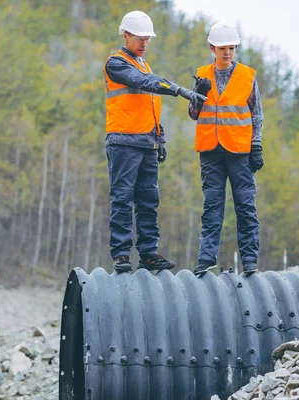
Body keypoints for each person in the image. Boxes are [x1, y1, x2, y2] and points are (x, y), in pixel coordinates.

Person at [104, 11, 207, 273]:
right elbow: (144, 83)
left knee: (149, 200)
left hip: (146, 143)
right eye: (139, 38)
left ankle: (148, 253)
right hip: (124, 141)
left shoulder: (143, 64)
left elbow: (149, 106)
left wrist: (159, 138)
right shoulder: (116, 64)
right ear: (125, 35)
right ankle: (121, 254)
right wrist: (178, 90)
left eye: (147, 39)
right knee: (123, 198)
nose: (144, 43)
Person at [189, 21, 264, 276]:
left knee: (245, 207)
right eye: (222, 48)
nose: (227, 52)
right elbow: (193, 114)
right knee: (212, 208)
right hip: (211, 152)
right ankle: (205, 259)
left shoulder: (247, 76)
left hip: (240, 153)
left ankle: (250, 261)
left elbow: (256, 115)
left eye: (231, 48)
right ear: (212, 48)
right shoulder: (202, 75)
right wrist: (198, 94)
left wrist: (256, 146)